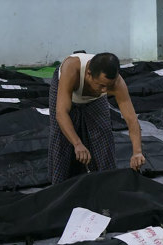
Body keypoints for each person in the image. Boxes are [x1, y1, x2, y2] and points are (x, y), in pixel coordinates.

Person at [49, 52, 146, 184]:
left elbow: (131, 119)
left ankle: (107, 184)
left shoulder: (116, 84)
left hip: (94, 100)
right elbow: (61, 114)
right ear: (88, 74)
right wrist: (77, 144)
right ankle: (60, 186)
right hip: (69, 94)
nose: (105, 90)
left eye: (109, 86)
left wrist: (137, 152)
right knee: (61, 140)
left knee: (104, 135)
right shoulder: (71, 69)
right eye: (101, 85)